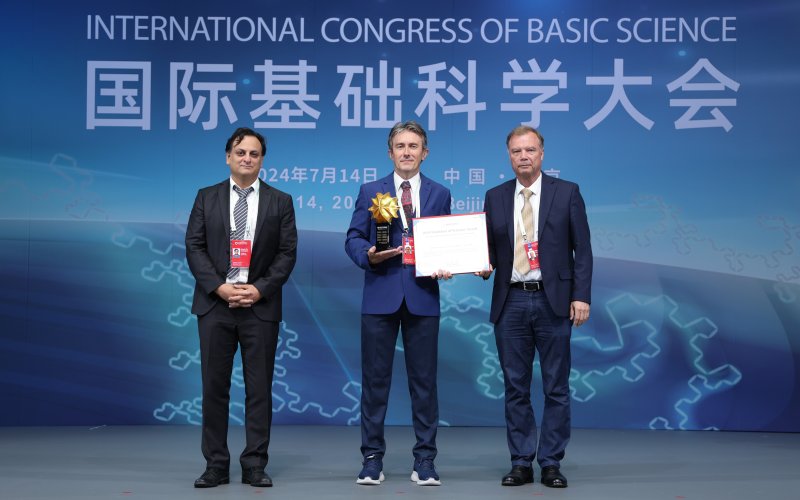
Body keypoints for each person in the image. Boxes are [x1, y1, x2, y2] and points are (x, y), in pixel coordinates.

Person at [478, 125, 592, 488]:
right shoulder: (495, 196)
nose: (523, 156)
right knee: (515, 386)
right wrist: (481, 263)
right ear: (508, 156)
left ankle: (552, 462)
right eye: (516, 151)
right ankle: (521, 461)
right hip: (510, 299)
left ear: (542, 154)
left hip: (553, 300)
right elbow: (490, 252)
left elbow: (583, 250)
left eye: (530, 150)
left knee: (556, 386)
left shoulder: (567, 192)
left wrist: (581, 295)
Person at [185, 127, 297, 488]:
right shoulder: (206, 197)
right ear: (228, 157)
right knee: (214, 387)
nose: (247, 159)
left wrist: (259, 290)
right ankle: (215, 464)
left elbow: (286, 253)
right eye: (240, 153)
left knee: (259, 388)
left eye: (254, 154)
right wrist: (219, 287)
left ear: (262, 159)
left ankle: (254, 464)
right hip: (215, 306)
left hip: (259, 307)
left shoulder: (281, 201)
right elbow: (194, 246)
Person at [345, 120, 452, 486]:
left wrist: (448, 263)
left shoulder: (440, 193)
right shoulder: (371, 190)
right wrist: (368, 255)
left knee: (424, 384)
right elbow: (354, 238)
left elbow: (446, 241)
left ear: (425, 152)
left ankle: (425, 460)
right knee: (375, 383)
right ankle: (372, 458)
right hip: (380, 296)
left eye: (414, 146)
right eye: (400, 146)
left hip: (423, 297)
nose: (407, 152)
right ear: (390, 152)